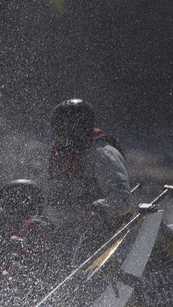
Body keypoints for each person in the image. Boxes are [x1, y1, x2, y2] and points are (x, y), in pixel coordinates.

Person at [46, 99, 131, 261]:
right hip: (68, 228)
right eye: (57, 130)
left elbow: (122, 197)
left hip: (104, 230)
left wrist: (100, 209)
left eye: (62, 130)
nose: (58, 137)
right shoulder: (59, 155)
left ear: (78, 129)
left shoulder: (103, 154)